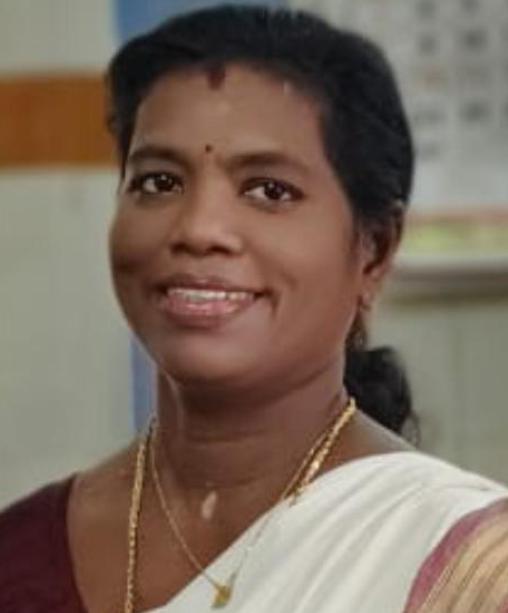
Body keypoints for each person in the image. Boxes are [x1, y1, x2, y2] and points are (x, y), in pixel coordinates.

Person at [1, 5, 508, 612]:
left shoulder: (468, 570)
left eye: (270, 190)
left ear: (374, 250)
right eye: (159, 182)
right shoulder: (21, 554)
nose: (198, 229)